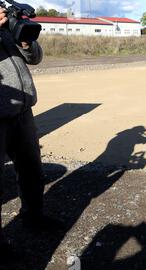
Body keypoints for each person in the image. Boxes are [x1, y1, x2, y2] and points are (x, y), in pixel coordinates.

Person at [0, 8, 61, 257]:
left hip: (23, 113)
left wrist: (25, 40)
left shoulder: (6, 29)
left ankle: (33, 217)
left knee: (32, 170)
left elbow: (34, 58)